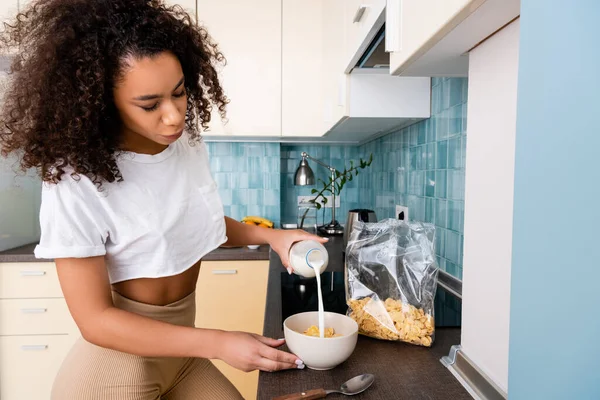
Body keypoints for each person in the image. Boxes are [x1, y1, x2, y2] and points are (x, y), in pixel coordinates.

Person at [0, 0, 327, 398]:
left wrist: (272, 237)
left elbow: (195, 222)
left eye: (179, 92)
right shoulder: (76, 176)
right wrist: (219, 343)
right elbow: (96, 321)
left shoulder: (183, 141)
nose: (173, 115)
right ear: (104, 101)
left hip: (182, 352)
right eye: (150, 104)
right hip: (115, 368)